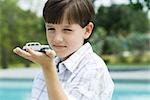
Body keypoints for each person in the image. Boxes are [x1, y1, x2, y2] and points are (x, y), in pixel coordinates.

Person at [13, 0, 114, 100]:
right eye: (51, 29)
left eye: (67, 30)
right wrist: (47, 67)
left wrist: (48, 67)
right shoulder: (51, 64)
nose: (57, 39)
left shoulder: (93, 68)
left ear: (87, 30)